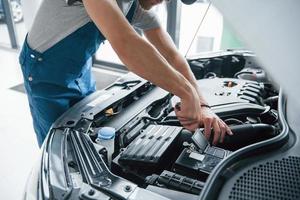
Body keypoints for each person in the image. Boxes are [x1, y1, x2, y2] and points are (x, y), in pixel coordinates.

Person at [19, 0, 232, 147]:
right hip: (44, 71)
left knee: (85, 132)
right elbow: (126, 41)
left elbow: (172, 55)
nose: (164, 1)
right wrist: (186, 93)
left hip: (79, 70)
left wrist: (203, 104)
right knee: (57, 146)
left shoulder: (135, 7)